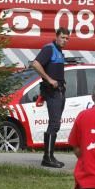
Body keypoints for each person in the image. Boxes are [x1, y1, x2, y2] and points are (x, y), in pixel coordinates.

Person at [30, 27, 70, 168]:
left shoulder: (59, 51)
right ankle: (47, 158)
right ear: (57, 36)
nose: (65, 40)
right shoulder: (49, 48)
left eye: (67, 38)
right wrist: (49, 79)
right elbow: (35, 63)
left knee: (56, 123)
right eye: (63, 37)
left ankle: (49, 156)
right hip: (52, 92)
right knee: (54, 123)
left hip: (59, 91)